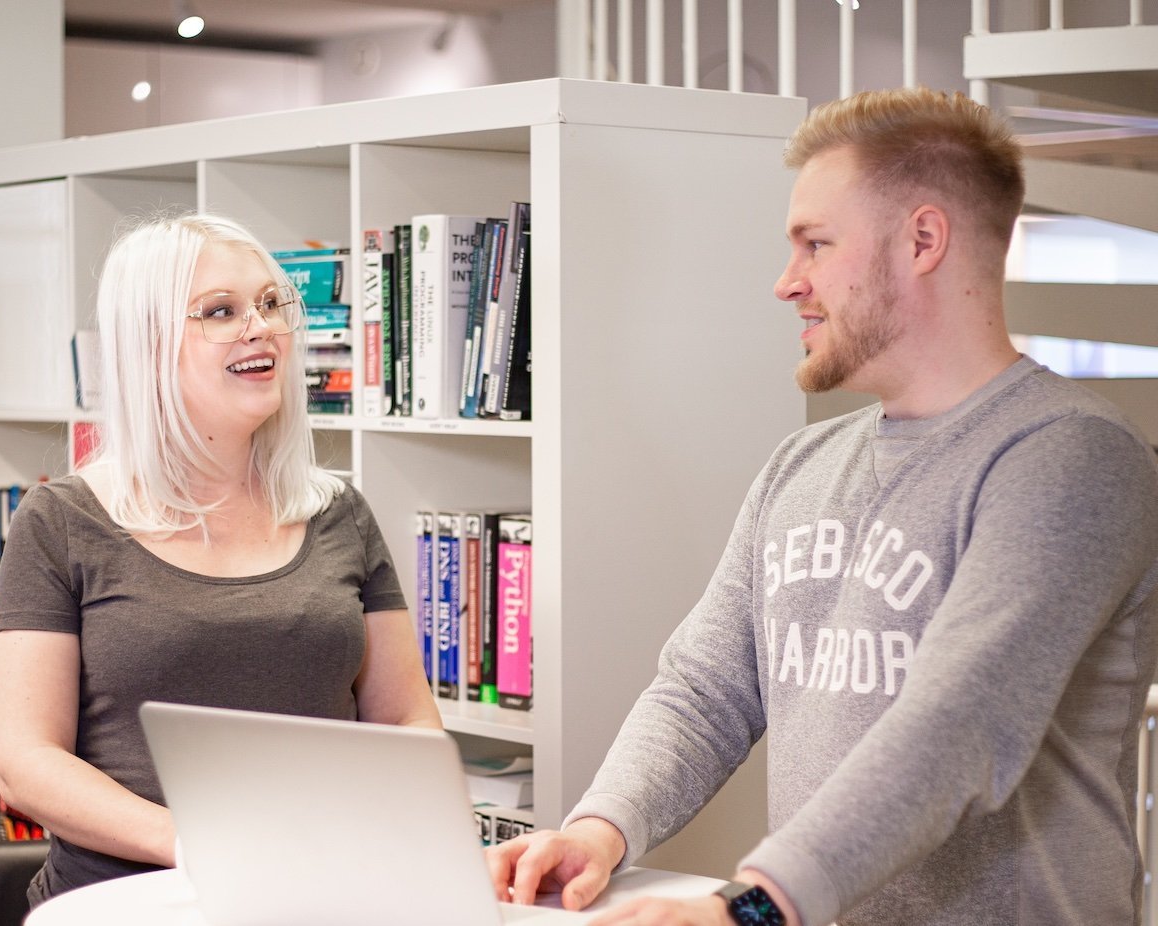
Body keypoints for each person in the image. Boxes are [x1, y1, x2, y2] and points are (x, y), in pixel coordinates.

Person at [486, 87, 1158, 926]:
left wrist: (754, 908)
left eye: (815, 243)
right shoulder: (800, 466)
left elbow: (960, 725)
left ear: (922, 239)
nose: (786, 282)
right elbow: (707, 687)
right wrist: (601, 825)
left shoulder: (1072, 458)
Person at [0, 213, 441, 906]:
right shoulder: (61, 520)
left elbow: (407, 720)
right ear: (148, 345)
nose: (259, 326)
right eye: (221, 311)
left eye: (269, 303)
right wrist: (201, 847)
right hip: (128, 901)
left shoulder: (338, 510)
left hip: (321, 892)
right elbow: (26, 765)